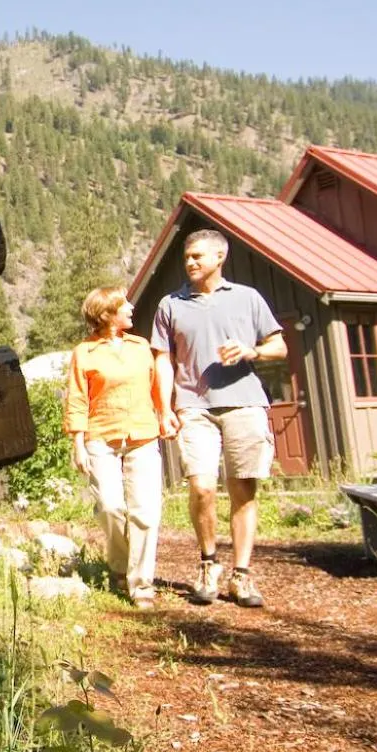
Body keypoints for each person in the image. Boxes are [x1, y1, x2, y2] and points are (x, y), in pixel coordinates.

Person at [152, 229, 286, 608]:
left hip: (245, 403)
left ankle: (241, 576)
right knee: (202, 487)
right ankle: (208, 563)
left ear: (219, 258)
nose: (190, 262)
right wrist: (165, 408)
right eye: (187, 257)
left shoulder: (248, 298)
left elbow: (279, 345)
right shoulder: (171, 304)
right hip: (194, 407)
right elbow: (163, 360)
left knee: (244, 491)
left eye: (198, 256)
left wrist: (251, 350)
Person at [65, 286, 166, 610]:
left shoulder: (140, 348)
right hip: (101, 437)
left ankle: (141, 585)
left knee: (145, 512)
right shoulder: (85, 353)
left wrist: (165, 414)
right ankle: (121, 566)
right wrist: (77, 444)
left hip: (142, 434)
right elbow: (77, 399)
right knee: (110, 506)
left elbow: (155, 387)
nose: (132, 308)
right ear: (107, 314)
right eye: (125, 305)